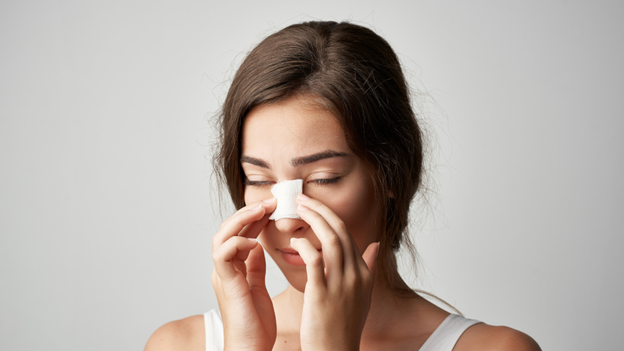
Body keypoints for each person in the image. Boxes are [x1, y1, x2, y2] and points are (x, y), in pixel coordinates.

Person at [144, 21, 541, 351]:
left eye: (323, 179)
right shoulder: (181, 344)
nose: (285, 222)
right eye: (259, 180)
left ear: (389, 173)